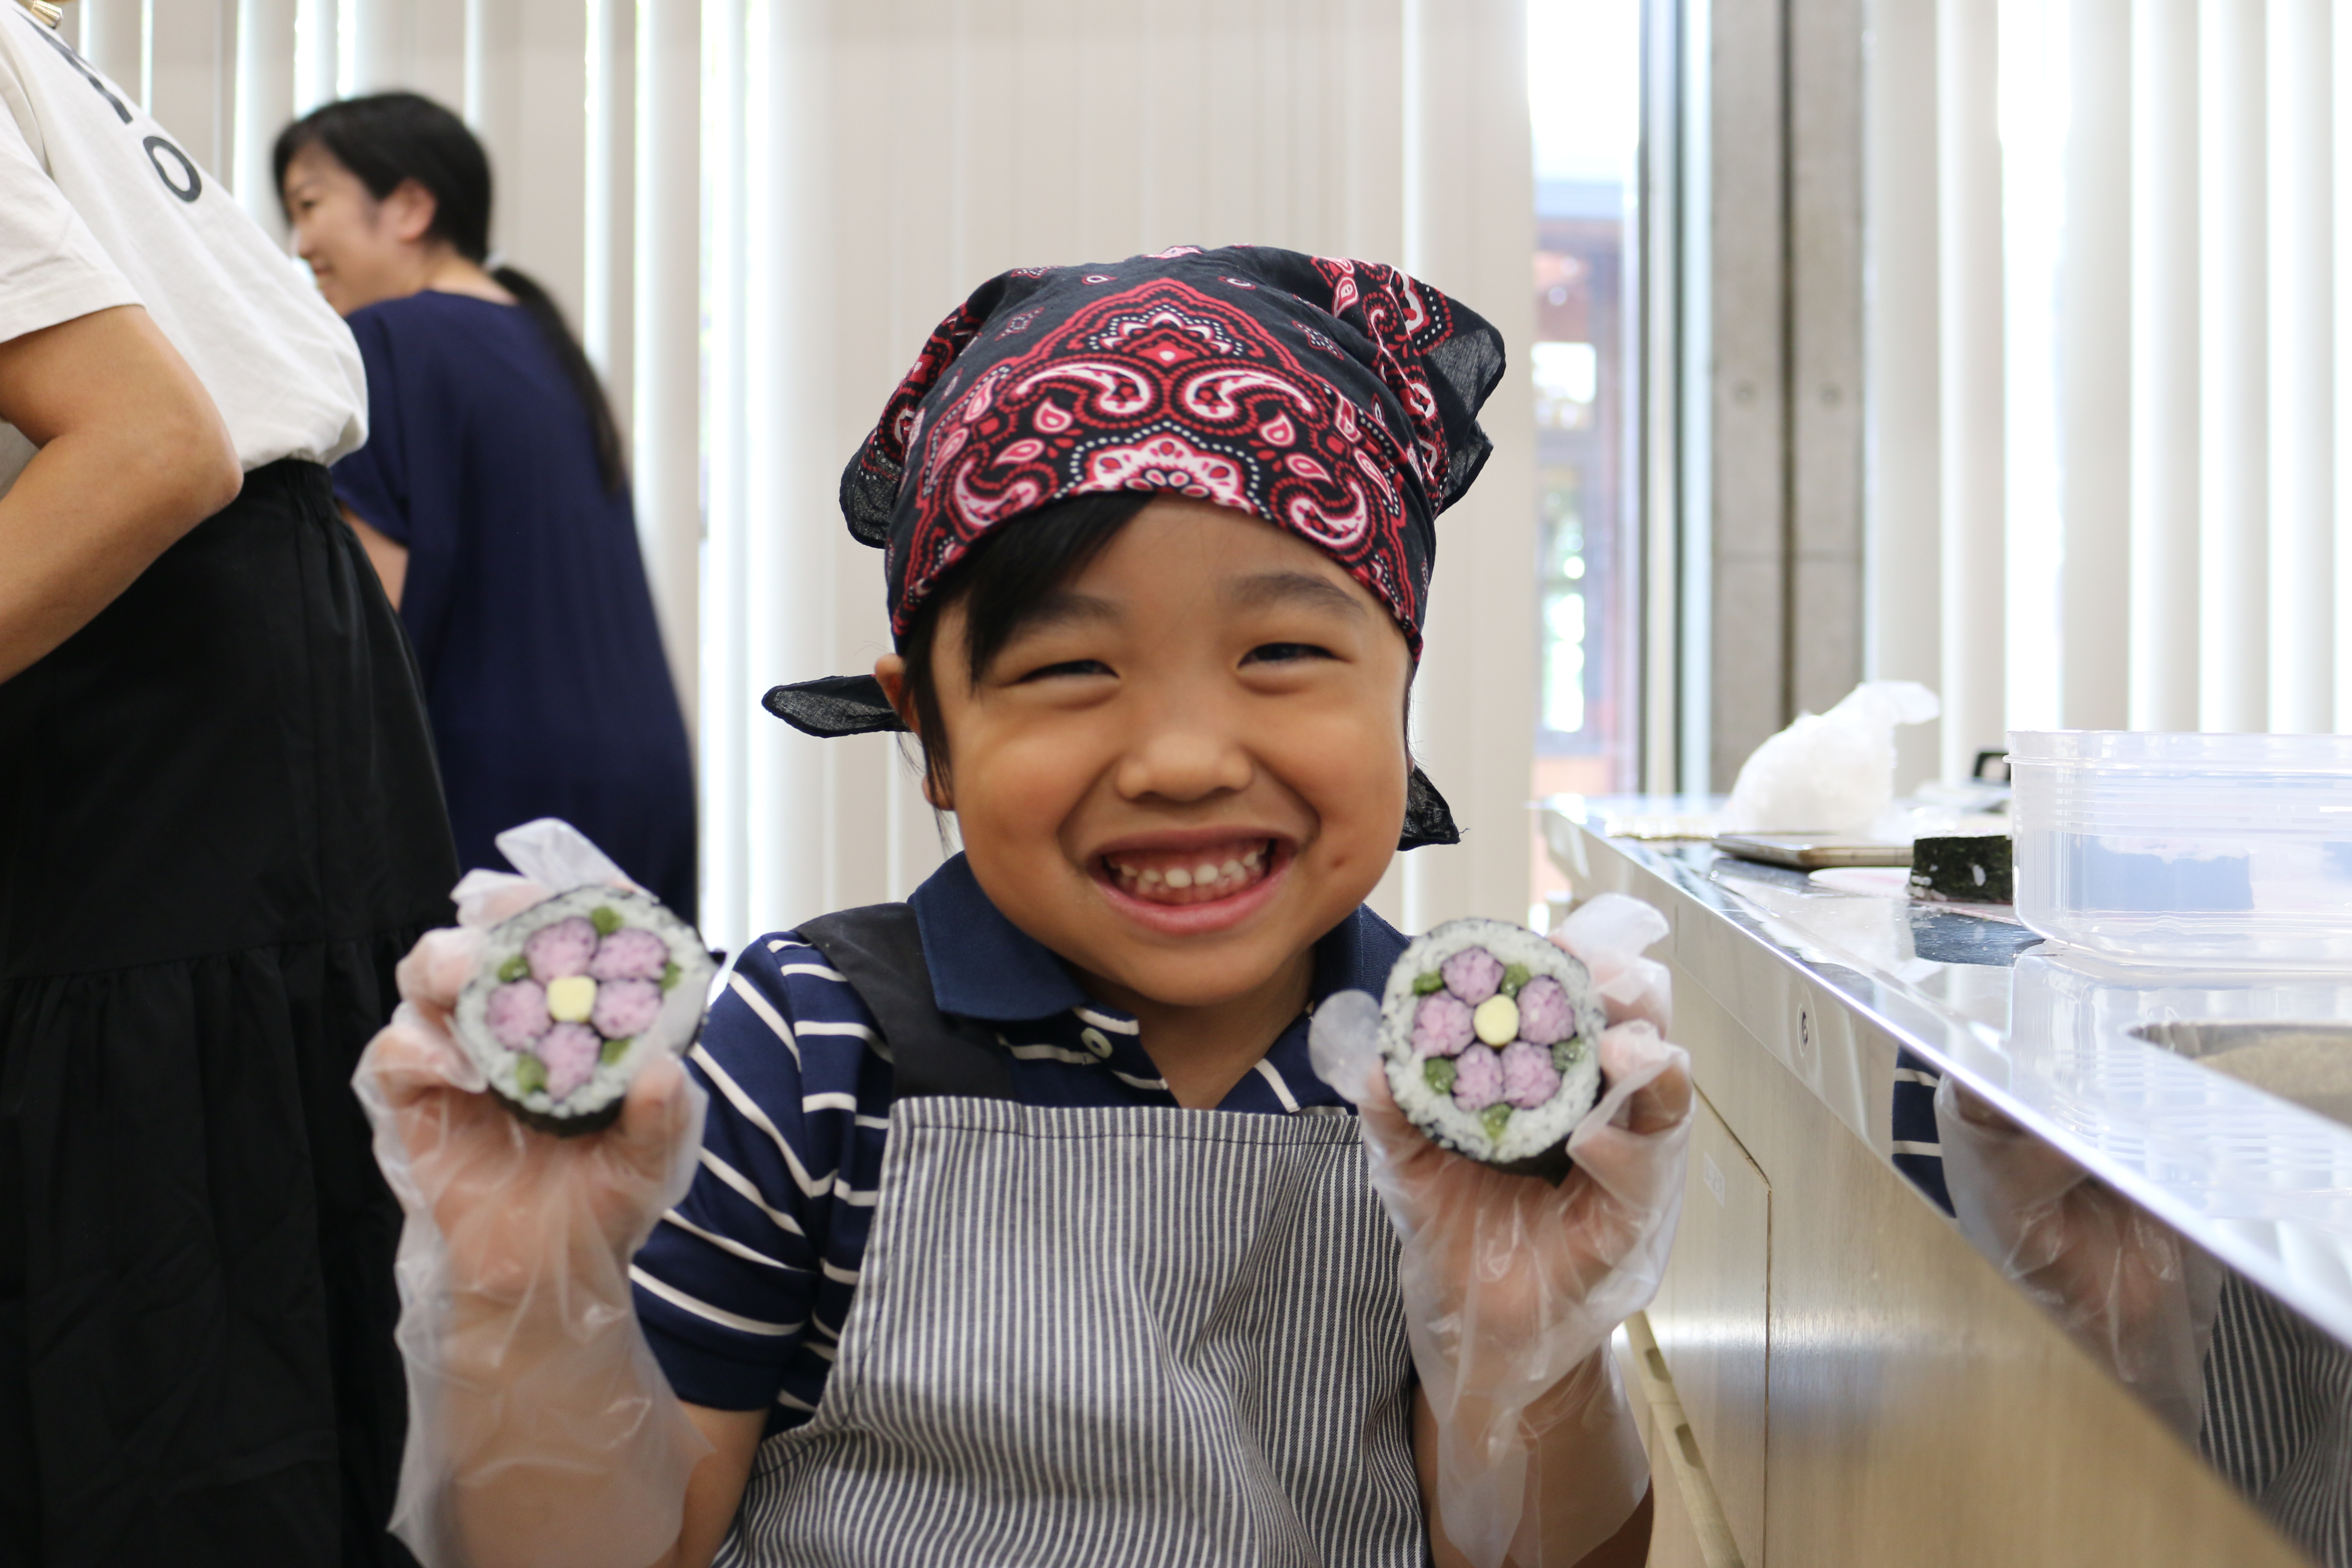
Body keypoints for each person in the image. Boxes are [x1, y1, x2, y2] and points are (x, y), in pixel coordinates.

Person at [359, 245, 1693, 1567]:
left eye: (1282, 653)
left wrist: (1536, 1353)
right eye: (1068, 666)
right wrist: (527, 1303)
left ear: (1400, 683)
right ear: (928, 733)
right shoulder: (807, 1049)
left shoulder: (1444, 1091)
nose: (1182, 760)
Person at [0, 7, 457, 1564]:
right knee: (297, 1288)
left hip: (153, 691)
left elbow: (145, 448)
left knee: (161, 1345)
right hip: (277, 674)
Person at [274, 92, 697, 916]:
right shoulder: (544, 340)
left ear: (409, 205)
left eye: (309, 204)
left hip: (494, 793)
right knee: (621, 1043)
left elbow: (365, 625)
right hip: (640, 775)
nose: (300, 245)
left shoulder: (389, 337)